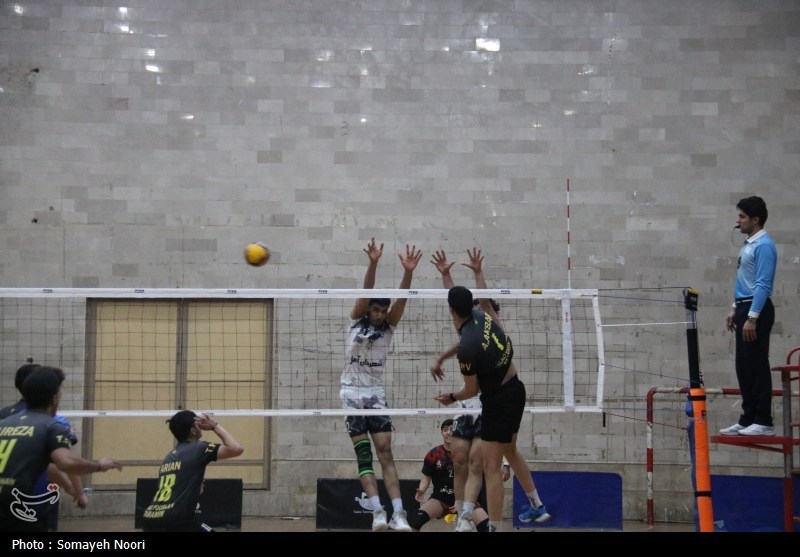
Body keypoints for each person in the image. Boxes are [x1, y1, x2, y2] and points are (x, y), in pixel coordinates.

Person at [431, 249, 550, 531]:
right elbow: (473, 298)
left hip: (498, 401)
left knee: (490, 467)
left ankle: (494, 527)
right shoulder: (480, 316)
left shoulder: (468, 347)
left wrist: (451, 398)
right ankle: (537, 504)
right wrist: (460, 274)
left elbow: (471, 391)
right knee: (511, 450)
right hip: (516, 389)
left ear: (451, 312)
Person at [340, 238, 422, 532]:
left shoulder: (388, 328)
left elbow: (402, 301)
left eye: (382, 311)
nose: (379, 314)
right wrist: (373, 263)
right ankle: (377, 512)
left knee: (385, 452)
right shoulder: (355, 322)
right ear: (368, 310)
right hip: (351, 394)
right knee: (364, 455)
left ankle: (399, 513)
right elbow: (365, 292)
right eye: (375, 310)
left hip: (375, 394)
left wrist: (408, 272)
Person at [0, 366, 122, 532]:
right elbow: (66, 462)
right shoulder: (52, 426)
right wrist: (99, 465)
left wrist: (70, 489)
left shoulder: (5, 423)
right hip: (16, 507)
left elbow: (47, 465)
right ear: (55, 398)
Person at [720, 196, 778, 437]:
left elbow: (763, 284)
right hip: (744, 306)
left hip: (757, 308)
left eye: (742, 216)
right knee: (743, 365)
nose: (738, 221)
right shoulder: (748, 245)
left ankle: (763, 420)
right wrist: (735, 307)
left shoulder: (764, 245)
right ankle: (748, 417)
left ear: (755, 219)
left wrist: (752, 317)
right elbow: (744, 281)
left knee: (756, 363)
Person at [141, 410, 243, 532]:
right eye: (197, 423)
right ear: (193, 430)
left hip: (151, 517)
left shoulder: (169, 457)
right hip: (176, 518)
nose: (200, 425)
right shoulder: (199, 448)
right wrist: (214, 426)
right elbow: (236, 448)